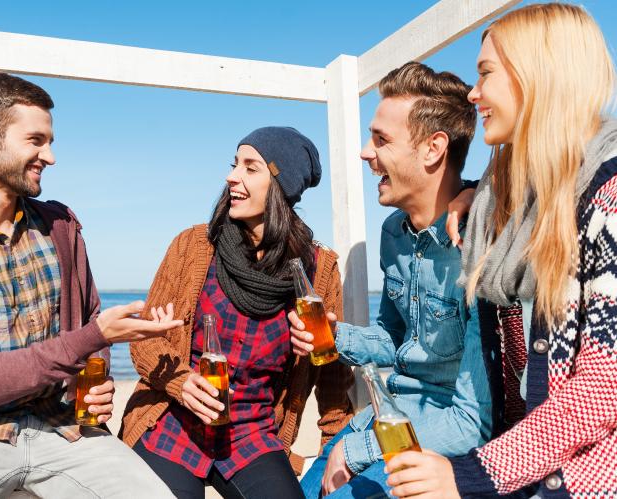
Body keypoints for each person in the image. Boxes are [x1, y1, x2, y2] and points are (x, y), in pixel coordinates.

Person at [0, 72, 181, 498]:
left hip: (66, 431)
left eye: (50, 141)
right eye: (36, 140)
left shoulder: (60, 225)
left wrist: (95, 378)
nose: (50, 155)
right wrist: (93, 338)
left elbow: (90, 316)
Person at [385, 4, 617, 498]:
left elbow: (601, 392)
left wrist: (472, 475)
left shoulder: (608, 199)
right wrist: (474, 196)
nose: (473, 93)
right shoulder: (513, 201)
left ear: (538, 76)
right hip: (524, 462)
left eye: (485, 73)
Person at [290, 62, 492, 499]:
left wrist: (359, 447)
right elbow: (394, 339)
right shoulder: (393, 235)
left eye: (381, 140)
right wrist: (333, 334)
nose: (365, 152)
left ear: (433, 148)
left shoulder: (481, 245)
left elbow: (472, 422)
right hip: (378, 420)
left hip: (432, 444)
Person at [119, 126, 355, 498]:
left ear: (281, 185)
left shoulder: (318, 269)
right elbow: (144, 342)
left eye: (250, 167)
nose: (232, 176)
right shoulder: (193, 246)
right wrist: (181, 383)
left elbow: (331, 372)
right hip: (173, 422)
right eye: (234, 164)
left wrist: (336, 444)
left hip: (253, 434)